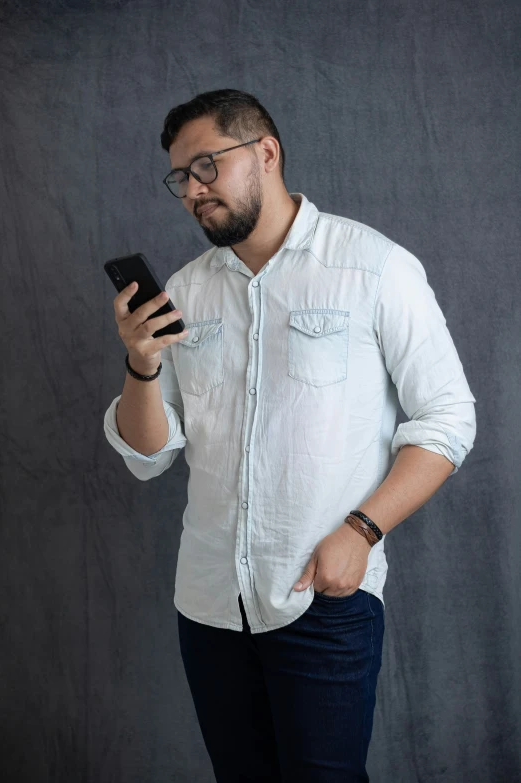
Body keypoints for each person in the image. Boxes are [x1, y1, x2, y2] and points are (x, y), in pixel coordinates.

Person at [104, 89, 477, 782]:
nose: (192, 190)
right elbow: (149, 454)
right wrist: (142, 361)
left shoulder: (373, 267)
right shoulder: (185, 291)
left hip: (322, 597)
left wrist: (363, 530)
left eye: (206, 166)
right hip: (210, 607)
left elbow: (449, 419)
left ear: (266, 153)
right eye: (181, 177)